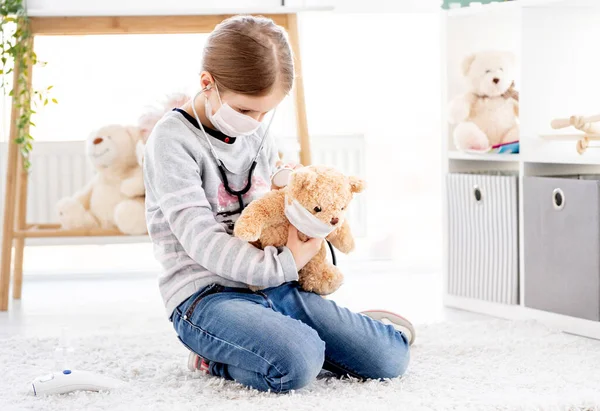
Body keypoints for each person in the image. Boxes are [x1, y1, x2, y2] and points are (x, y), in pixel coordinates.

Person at [143, 15, 413, 394]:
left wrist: (306, 217)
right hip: (206, 297)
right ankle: (217, 356)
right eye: (246, 110)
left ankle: (311, 334)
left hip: (274, 284)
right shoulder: (171, 141)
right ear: (208, 84)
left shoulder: (257, 134)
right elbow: (200, 240)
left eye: (266, 112)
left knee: (390, 358)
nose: (256, 122)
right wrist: (286, 262)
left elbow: (274, 202)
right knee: (296, 363)